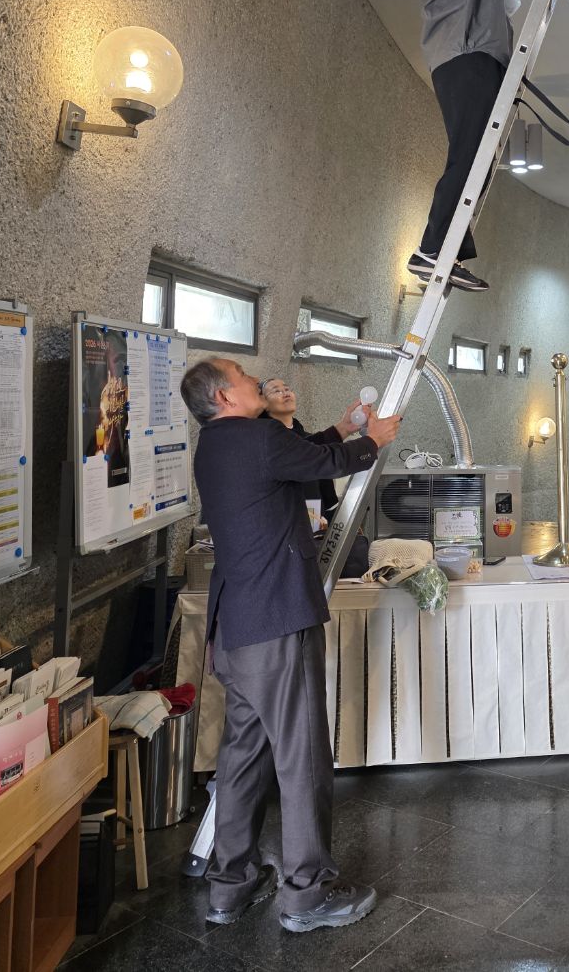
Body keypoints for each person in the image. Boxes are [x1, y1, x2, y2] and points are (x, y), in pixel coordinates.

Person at [180, 357, 401, 934]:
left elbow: (295, 457)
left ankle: (230, 885)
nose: (256, 380)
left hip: (237, 630)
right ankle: (307, 893)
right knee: (301, 760)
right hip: (277, 624)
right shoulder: (258, 438)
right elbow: (321, 463)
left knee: (242, 758)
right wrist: (371, 440)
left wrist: (343, 428)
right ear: (225, 396)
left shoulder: (216, 444)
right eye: (242, 375)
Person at [386, 0, 525, 293]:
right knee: (470, 154)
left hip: (464, 53)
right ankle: (432, 250)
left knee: (474, 154)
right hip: (468, 52)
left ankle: (444, 251)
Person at [261, 377, 369, 577]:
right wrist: (372, 443)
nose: (285, 392)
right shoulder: (265, 444)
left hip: (315, 536)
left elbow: (328, 495)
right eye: (275, 390)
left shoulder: (308, 441)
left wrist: (336, 525)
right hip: (283, 541)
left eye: (287, 388)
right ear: (263, 403)